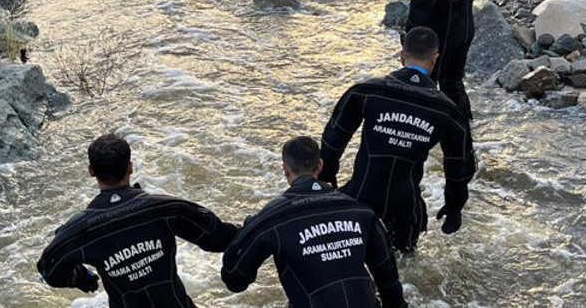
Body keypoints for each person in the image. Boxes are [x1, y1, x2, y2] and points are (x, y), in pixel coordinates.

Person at [319, 27, 476, 253]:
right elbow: (458, 167)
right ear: (435, 59)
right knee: (405, 270)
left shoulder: (366, 91)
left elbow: (333, 139)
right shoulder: (448, 111)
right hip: (405, 205)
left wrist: (326, 180)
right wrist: (454, 207)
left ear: (402, 56)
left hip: (361, 196)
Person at [37, 134, 238, 308]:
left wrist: (80, 278)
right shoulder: (166, 208)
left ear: (91, 171)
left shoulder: (80, 230)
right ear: (130, 167)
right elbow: (218, 238)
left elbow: (50, 269)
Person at [221, 136, 408, 308]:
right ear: (319, 166)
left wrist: (246, 232)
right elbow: (389, 281)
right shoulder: (360, 211)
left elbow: (234, 279)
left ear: (285, 169)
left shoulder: (272, 218)